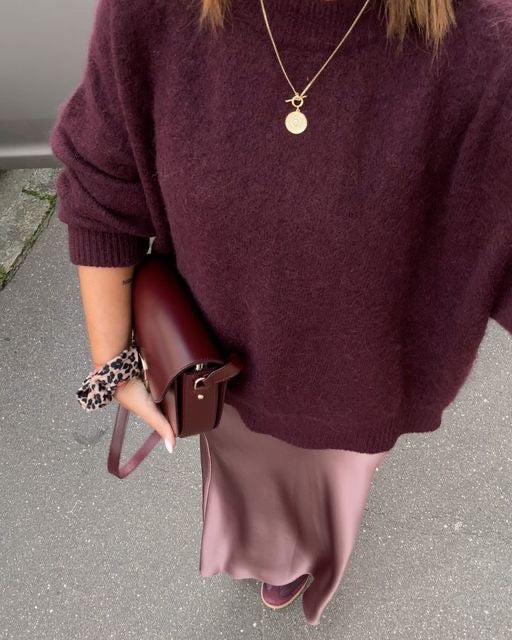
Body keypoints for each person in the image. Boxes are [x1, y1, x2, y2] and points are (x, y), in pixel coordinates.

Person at [49, 0, 512, 627]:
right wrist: (114, 362)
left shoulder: (487, 44)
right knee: (251, 492)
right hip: (217, 372)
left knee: (329, 494)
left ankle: (302, 548)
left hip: (359, 394)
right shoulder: (155, 12)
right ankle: (275, 553)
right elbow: (104, 181)